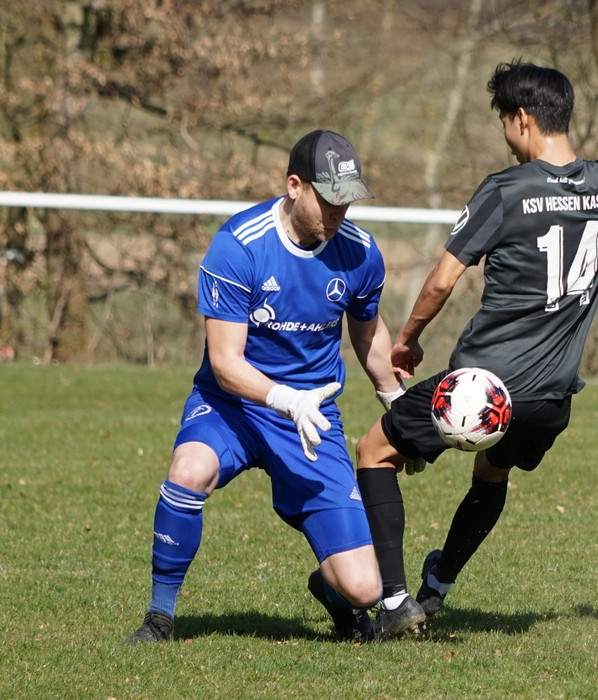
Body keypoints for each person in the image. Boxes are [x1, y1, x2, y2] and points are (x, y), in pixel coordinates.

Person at [355, 61, 598, 639]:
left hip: (483, 388)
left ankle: (393, 602)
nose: (505, 135)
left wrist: (408, 339)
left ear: (523, 119)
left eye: (504, 122)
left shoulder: (505, 190)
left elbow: (441, 280)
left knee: (371, 451)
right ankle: (438, 585)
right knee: (491, 474)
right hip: (550, 398)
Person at [126, 129, 408, 644]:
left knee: (365, 588)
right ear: (295, 186)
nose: (339, 213)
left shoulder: (361, 253)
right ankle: (160, 617)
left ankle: (332, 592)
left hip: (312, 418)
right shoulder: (239, 246)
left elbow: (369, 335)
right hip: (230, 406)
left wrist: (396, 403)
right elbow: (225, 363)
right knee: (189, 471)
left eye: (348, 201)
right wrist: (285, 399)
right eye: (329, 199)